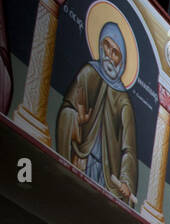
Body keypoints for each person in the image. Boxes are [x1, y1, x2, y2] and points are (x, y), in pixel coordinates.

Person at [55, 21, 137, 206]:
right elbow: (66, 112)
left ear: (121, 61)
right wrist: (77, 122)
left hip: (108, 175)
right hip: (81, 158)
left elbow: (129, 149)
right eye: (106, 47)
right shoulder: (87, 74)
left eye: (115, 53)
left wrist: (126, 180)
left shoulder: (124, 101)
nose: (108, 55)